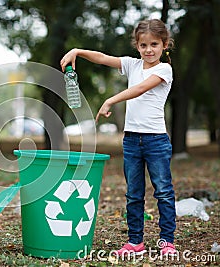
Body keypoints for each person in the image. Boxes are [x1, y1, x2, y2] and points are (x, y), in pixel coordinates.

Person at [60, 19, 177, 256]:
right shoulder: (133, 65)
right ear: (137, 46)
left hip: (156, 140)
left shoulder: (164, 70)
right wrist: (77, 51)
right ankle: (135, 241)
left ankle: (167, 241)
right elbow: (102, 58)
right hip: (132, 140)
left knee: (163, 191)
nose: (149, 50)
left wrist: (110, 99)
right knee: (134, 193)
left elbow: (141, 88)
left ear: (164, 45)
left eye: (154, 44)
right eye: (143, 45)